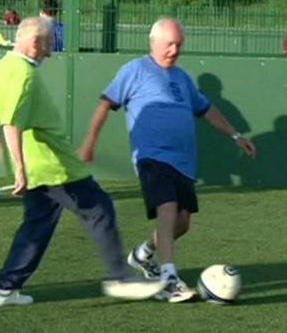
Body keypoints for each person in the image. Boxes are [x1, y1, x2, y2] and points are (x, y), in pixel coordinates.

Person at [0, 16, 164, 307]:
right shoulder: (23, 75)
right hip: (55, 167)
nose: (51, 51)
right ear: (35, 42)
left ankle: (5, 290)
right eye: (49, 44)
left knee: (36, 226)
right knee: (100, 209)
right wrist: (20, 167)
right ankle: (121, 279)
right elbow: (10, 123)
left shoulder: (3, 65)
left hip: (39, 168)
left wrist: (8, 159)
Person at [78, 18, 257, 303]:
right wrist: (89, 144)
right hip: (152, 157)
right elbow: (105, 103)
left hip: (183, 162)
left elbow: (207, 110)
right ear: (154, 43)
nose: (174, 50)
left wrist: (236, 136)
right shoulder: (134, 70)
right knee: (168, 207)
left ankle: (143, 254)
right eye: (169, 44)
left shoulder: (182, 78)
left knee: (182, 223)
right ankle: (168, 279)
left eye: (179, 44)